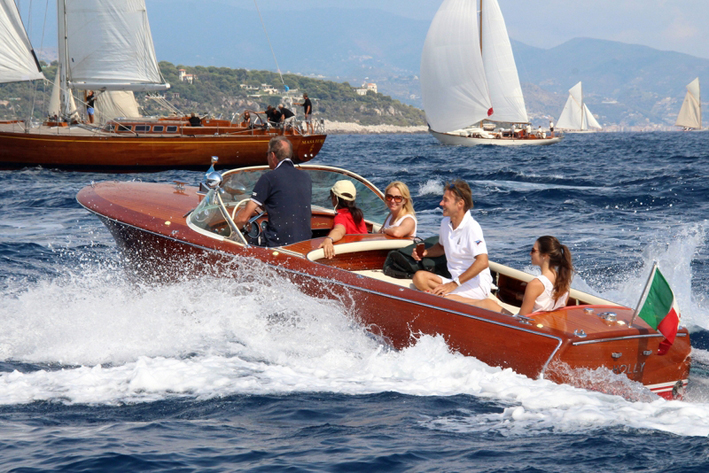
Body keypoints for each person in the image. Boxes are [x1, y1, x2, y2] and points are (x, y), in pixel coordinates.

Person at [412, 180, 501, 311]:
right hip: (455, 281)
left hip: (475, 284)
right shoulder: (445, 223)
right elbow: (442, 247)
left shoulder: (472, 228)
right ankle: (455, 299)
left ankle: (481, 303)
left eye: (445, 200)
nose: (441, 203)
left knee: (446, 301)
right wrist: (425, 253)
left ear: (460, 204)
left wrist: (454, 284)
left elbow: (483, 262)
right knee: (419, 278)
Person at [233, 136, 312, 247]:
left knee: (243, 243)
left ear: (272, 155)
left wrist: (228, 231)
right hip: (304, 242)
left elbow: (243, 218)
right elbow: (283, 203)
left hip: (277, 244)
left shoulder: (269, 178)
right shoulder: (306, 177)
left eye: (267, 154)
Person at [518, 236, 574, 316]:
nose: (530, 253)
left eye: (533, 250)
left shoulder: (535, 284)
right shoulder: (564, 283)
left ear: (545, 255)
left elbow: (522, 319)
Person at [318, 180, 367, 259]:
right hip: (361, 255)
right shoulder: (358, 216)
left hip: (348, 258)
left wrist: (328, 239)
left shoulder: (341, 216)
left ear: (334, 197)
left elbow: (339, 230)